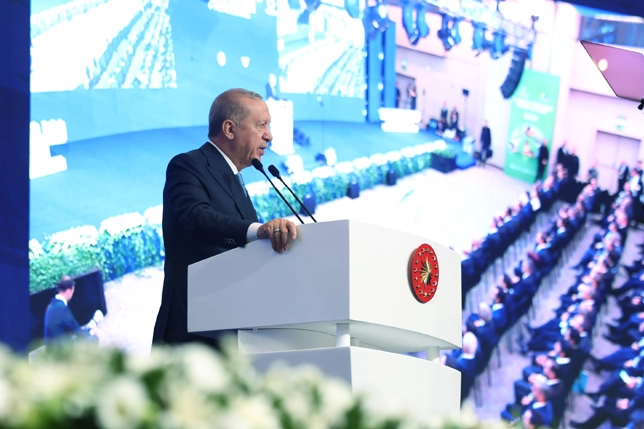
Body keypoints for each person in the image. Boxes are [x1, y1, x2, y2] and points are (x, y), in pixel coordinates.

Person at [152, 89, 298, 346]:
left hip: (233, 329)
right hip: (192, 333)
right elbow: (196, 218)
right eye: (261, 125)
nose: (269, 135)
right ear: (230, 129)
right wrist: (258, 231)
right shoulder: (187, 165)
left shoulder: (233, 178)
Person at [44, 275, 100, 349]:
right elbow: (78, 333)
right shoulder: (62, 309)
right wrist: (91, 332)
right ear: (68, 291)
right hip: (61, 351)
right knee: (93, 338)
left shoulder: (51, 305)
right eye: (72, 292)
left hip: (51, 348)